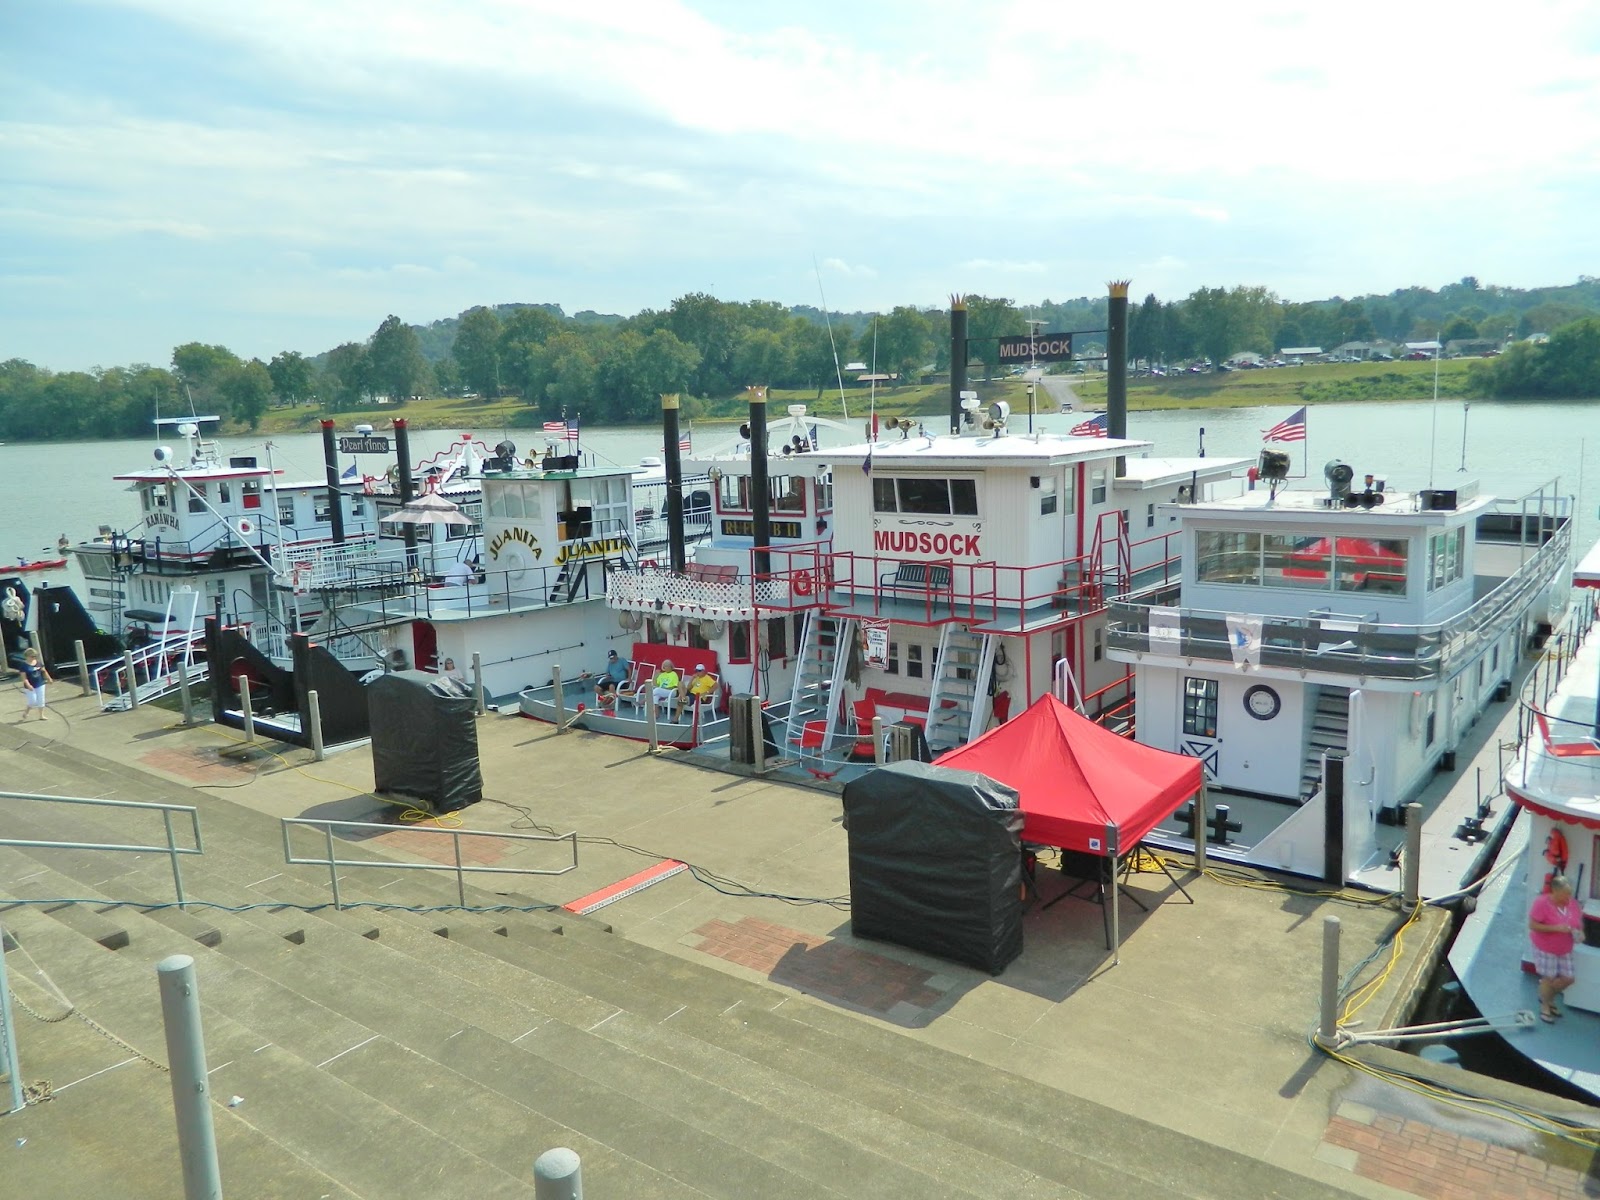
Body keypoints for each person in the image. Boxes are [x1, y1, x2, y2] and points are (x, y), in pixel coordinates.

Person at [1530, 873, 1584, 1022]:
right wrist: (1556, 928)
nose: (1568, 897)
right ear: (1555, 891)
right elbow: (1533, 925)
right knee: (1548, 977)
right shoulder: (1542, 904)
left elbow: (1577, 924)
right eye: (1565, 894)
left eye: (1569, 894)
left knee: (1568, 978)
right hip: (1546, 948)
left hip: (1564, 949)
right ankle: (1545, 1006)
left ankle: (1546, 997)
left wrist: (1580, 933)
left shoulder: (1572, 904)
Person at [18, 647, 52, 722]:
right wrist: (28, 685)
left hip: (40, 683)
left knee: (41, 699)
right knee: (32, 701)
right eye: (32, 656)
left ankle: (41, 715)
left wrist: (49, 678)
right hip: (30, 685)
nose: (34, 658)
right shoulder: (23, 666)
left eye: (35, 656)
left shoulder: (38, 663)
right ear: (27, 656)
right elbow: (24, 678)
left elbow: (43, 671)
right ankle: (27, 711)